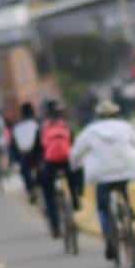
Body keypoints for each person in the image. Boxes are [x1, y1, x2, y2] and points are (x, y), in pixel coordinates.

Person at [70, 99, 135, 262]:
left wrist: (74, 165)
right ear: (116, 113)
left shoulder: (90, 131)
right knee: (122, 186)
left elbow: (76, 153)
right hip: (126, 167)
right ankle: (128, 212)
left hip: (102, 174)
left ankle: (109, 239)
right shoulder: (125, 126)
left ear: (98, 115)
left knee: (103, 207)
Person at [38, 100, 85, 238]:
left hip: (50, 163)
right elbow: (74, 145)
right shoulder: (66, 125)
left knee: (49, 194)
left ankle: (55, 227)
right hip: (66, 161)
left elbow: (38, 149)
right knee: (76, 172)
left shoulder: (43, 128)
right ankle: (76, 198)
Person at [12, 102, 41, 202]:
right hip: (40, 154)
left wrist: (15, 160)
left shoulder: (17, 127)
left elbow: (14, 145)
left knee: (24, 171)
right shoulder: (38, 123)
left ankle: (31, 190)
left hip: (25, 155)